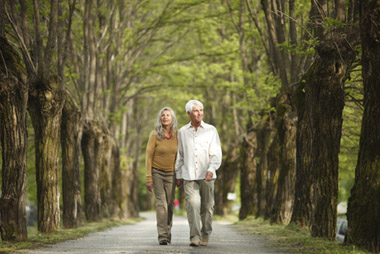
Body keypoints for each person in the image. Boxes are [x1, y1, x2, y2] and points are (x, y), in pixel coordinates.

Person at [175, 99, 222, 247]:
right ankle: (194, 236)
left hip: (207, 174)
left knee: (207, 206)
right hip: (189, 175)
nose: (199, 113)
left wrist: (212, 168)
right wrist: (178, 175)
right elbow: (180, 155)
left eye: (201, 110)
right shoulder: (182, 132)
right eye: (196, 110)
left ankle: (205, 233)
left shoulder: (211, 130)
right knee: (193, 204)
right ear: (189, 113)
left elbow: (216, 153)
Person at [145, 106, 178, 245]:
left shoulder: (177, 135)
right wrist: (148, 178)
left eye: (168, 115)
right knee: (161, 204)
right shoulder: (154, 134)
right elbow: (148, 157)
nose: (165, 117)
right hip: (157, 172)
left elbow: (179, 156)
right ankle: (162, 235)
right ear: (160, 118)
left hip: (172, 173)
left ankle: (168, 230)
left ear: (172, 118)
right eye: (163, 115)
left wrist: (181, 175)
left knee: (170, 205)